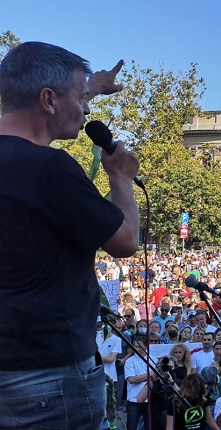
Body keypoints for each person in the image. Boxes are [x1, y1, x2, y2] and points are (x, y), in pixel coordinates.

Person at [0, 42, 138, 429]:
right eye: (80, 99)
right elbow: (125, 240)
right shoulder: (50, 169)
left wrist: (89, 87)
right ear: (48, 100)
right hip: (48, 378)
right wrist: (120, 177)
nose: (87, 110)